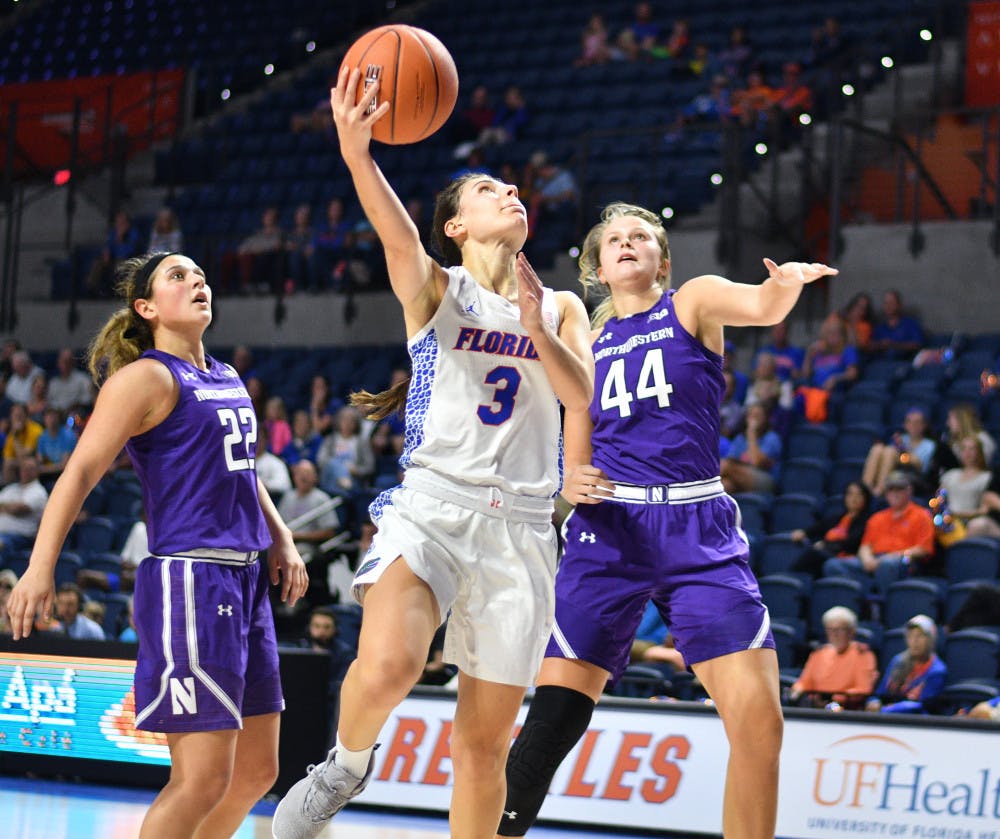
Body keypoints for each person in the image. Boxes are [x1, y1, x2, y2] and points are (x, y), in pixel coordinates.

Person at [272, 66, 593, 839]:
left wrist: (537, 326)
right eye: (488, 190)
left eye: (513, 190)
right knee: (388, 666)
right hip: (434, 506)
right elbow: (396, 231)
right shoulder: (435, 287)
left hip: (521, 528)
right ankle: (345, 764)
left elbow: (579, 395)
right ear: (456, 224)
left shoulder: (563, 305)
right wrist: (357, 156)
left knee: (484, 745)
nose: (509, 193)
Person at [499, 201, 836, 839]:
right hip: (610, 532)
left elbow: (761, 306)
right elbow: (568, 429)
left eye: (640, 237)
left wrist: (781, 288)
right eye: (614, 240)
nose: (627, 244)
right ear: (597, 267)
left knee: (761, 728)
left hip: (696, 527)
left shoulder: (693, 302)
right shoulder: (588, 344)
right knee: (550, 723)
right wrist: (569, 474)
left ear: (662, 259)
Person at [4, 250, 308, 839]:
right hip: (193, 580)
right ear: (145, 307)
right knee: (200, 779)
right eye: (178, 275)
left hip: (245, 579)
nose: (197, 280)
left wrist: (283, 536)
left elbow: (243, 471)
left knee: (257, 771)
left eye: (200, 272)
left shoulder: (225, 374)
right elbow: (80, 472)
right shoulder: (146, 377)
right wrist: (40, 567)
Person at [823, 470, 936, 594]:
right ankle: (861, 598)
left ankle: (883, 605)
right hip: (875, 558)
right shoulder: (877, 518)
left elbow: (923, 549)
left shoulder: (922, 515)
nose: (895, 493)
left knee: (887, 565)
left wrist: (891, 556)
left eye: (899, 489)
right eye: (891, 490)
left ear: (909, 490)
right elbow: (865, 546)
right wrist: (867, 560)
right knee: (833, 565)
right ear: (886, 493)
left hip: (903, 560)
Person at [788, 606, 877, 709]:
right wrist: (797, 690)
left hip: (846, 709)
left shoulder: (863, 655)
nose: (834, 634)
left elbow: (863, 689)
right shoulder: (819, 653)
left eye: (840, 630)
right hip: (816, 706)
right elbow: (804, 683)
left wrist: (833, 699)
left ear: (851, 632)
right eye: (830, 629)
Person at [866, 614, 946, 714]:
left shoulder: (937, 670)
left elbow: (923, 705)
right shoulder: (898, 661)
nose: (915, 641)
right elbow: (880, 694)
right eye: (911, 636)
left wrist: (886, 710)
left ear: (931, 640)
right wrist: (874, 702)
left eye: (920, 636)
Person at [790, 480, 873, 577]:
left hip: (845, 557)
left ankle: (791, 577)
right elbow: (818, 527)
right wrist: (803, 532)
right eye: (850, 494)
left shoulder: (867, 522)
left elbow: (851, 543)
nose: (854, 499)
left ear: (866, 499)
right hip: (826, 553)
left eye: (859, 495)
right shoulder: (837, 518)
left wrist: (825, 544)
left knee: (814, 554)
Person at [862, 406, 938, 497]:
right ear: (905, 424)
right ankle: (865, 489)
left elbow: (921, 466)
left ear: (924, 425)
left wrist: (903, 449)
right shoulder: (902, 438)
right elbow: (886, 458)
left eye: (917, 422)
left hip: (915, 475)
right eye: (909, 422)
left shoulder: (929, 444)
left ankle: (879, 491)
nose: (913, 425)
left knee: (890, 452)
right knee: (877, 449)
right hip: (896, 469)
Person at [719, 401, 783, 494]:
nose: (753, 419)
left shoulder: (772, 438)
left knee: (726, 466)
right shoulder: (740, 439)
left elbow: (756, 462)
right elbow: (730, 460)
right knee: (724, 485)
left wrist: (751, 432)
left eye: (757, 416)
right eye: (751, 416)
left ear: (766, 419)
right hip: (740, 475)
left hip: (766, 480)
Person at [0, 456, 48, 554]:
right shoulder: (10, 489)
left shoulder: (38, 491)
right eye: (24, 468)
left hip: (21, 537)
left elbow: (18, 510)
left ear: (37, 471)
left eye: (30, 468)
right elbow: (14, 508)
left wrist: (4, 507)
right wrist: (11, 507)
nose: (26, 471)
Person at [870, 289, 925, 359]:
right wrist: (880, 345)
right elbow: (871, 345)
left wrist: (894, 345)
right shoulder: (879, 327)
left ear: (899, 305)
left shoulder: (910, 324)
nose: (888, 306)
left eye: (891, 303)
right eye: (886, 303)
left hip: (903, 362)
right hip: (882, 362)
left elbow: (918, 345)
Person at [46, 348, 95, 413]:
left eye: (68, 361)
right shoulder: (53, 383)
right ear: (58, 363)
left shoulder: (83, 379)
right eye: (63, 361)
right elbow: (49, 402)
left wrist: (76, 405)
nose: (65, 365)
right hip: (57, 415)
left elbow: (88, 399)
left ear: (73, 362)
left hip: (76, 414)